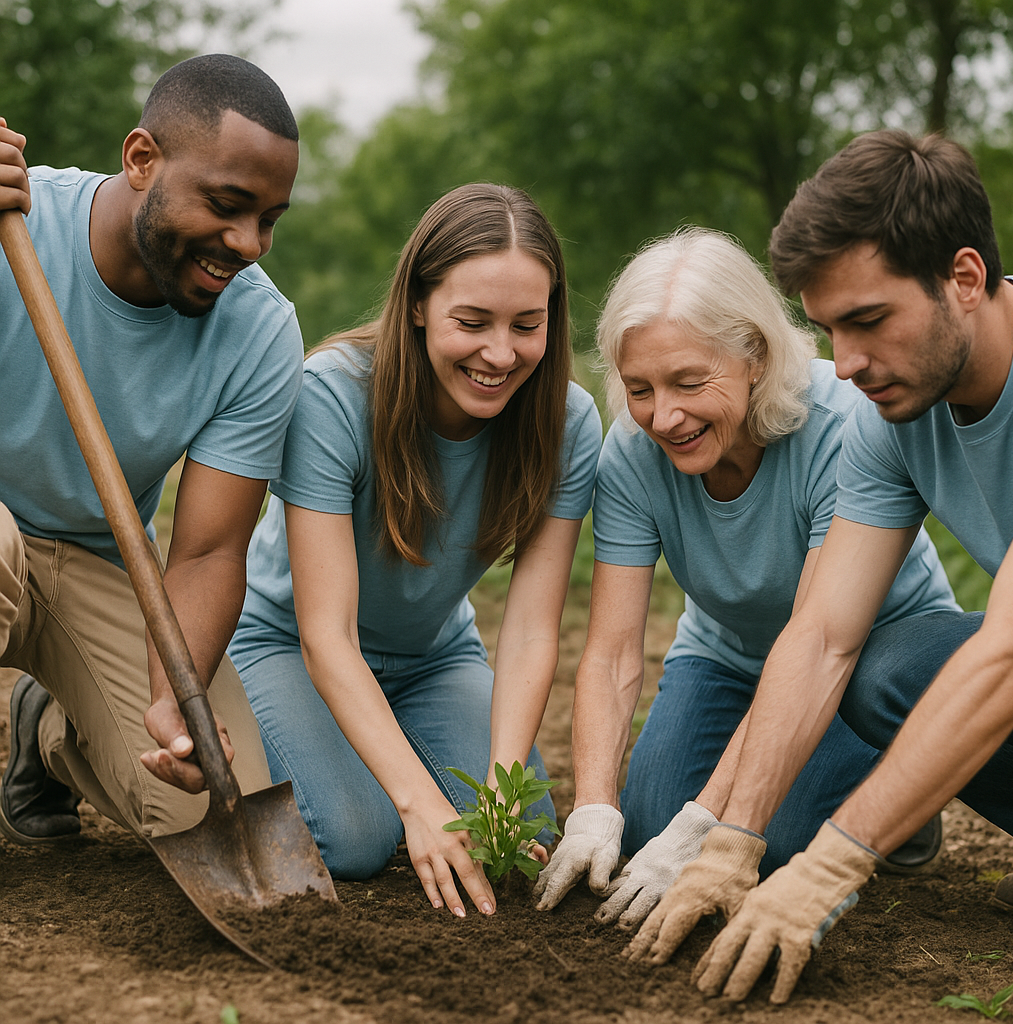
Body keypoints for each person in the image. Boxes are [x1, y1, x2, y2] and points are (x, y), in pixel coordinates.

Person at [626, 130, 1013, 1004]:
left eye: (870, 320)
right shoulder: (892, 417)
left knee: (942, 662)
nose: (843, 364)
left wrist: (829, 866)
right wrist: (733, 839)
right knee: (888, 670)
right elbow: (822, 635)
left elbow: (1012, 651)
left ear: (963, 278)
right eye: (830, 329)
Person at [533, 227, 964, 924]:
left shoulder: (839, 426)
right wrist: (591, 806)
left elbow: (818, 637)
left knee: (770, 845)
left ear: (755, 356)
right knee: (646, 832)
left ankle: (901, 804)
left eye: (689, 381)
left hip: (860, 663)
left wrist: (711, 823)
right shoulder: (632, 451)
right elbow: (612, 651)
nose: (664, 416)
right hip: (728, 653)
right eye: (640, 387)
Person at [227, 182, 602, 919]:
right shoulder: (333, 396)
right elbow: (325, 635)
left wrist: (496, 788)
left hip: (432, 656)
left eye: (528, 324)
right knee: (358, 839)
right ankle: (69, 726)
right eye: (473, 321)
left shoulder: (567, 421)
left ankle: (387, 750)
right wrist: (417, 800)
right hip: (281, 642)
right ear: (420, 304)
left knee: (517, 832)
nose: (501, 353)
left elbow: (528, 631)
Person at [0, 54, 303, 845]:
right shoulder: (15, 225)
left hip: (95, 563)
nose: (249, 243)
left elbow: (206, 552)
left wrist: (178, 693)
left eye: (269, 218)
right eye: (228, 205)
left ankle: (48, 735)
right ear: (142, 160)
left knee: (197, 802)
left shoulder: (261, 331)